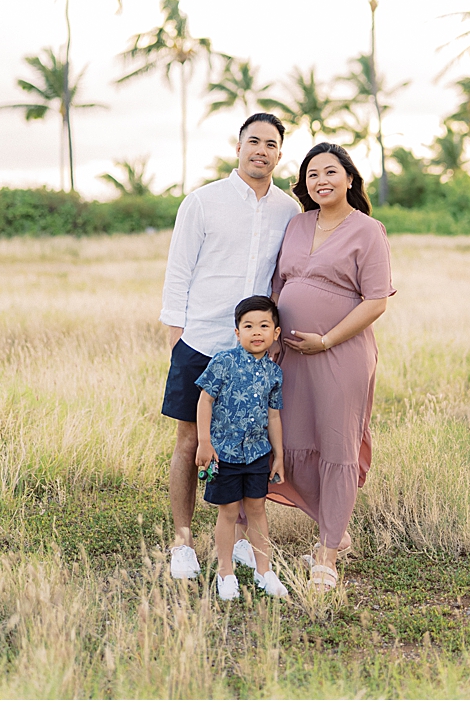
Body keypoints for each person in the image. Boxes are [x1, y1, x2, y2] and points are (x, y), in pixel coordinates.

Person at [159, 112, 301, 581]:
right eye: (253, 141)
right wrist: (177, 336)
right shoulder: (202, 202)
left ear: (280, 153)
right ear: (237, 147)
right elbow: (178, 269)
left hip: (253, 351)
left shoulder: (288, 210)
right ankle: (183, 542)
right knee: (189, 442)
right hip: (200, 338)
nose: (262, 150)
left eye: (271, 144)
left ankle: (241, 541)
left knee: (248, 444)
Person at [267, 142, 393, 590]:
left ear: (350, 179)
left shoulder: (368, 230)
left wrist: (327, 339)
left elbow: (376, 300)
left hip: (341, 353)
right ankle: (336, 533)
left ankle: (326, 554)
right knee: (294, 440)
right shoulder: (296, 224)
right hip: (291, 354)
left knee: (337, 445)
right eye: (312, 174)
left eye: (330, 172)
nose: (321, 180)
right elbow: (280, 285)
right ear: (304, 183)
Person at [195, 295, 289, 600]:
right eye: (248, 326)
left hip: (258, 453)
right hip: (225, 454)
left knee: (257, 508)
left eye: (264, 325)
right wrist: (204, 443)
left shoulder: (274, 373)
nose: (256, 332)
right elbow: (205, 400)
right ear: (237, 332)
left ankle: (265, 571)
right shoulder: (224, 362)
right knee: (229, 511)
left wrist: (279, 456)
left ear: (276, 333)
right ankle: (226, 573)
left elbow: (273, 416)